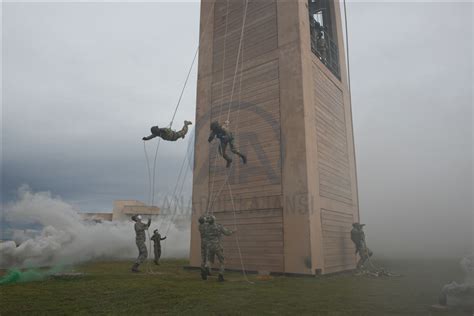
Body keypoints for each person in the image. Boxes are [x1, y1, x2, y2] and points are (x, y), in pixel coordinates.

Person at [204, 215, 234, 282]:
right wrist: (233, 231)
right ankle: (221, 275)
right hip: (217, 246)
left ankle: (206, 267)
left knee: (209, 260)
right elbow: (227, 233)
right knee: (222, 262)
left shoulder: (206, 227)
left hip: (209, 246)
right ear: (214, 220)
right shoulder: (218, 226)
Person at [198, 215, 211, 280]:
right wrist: (207, 217)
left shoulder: (200, 226)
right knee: (208, 256)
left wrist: (204, 218)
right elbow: (210, 222)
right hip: (207, 242)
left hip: (202, 242)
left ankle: (203, 268)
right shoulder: (206, 225)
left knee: (203, 257)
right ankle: (206, 268)